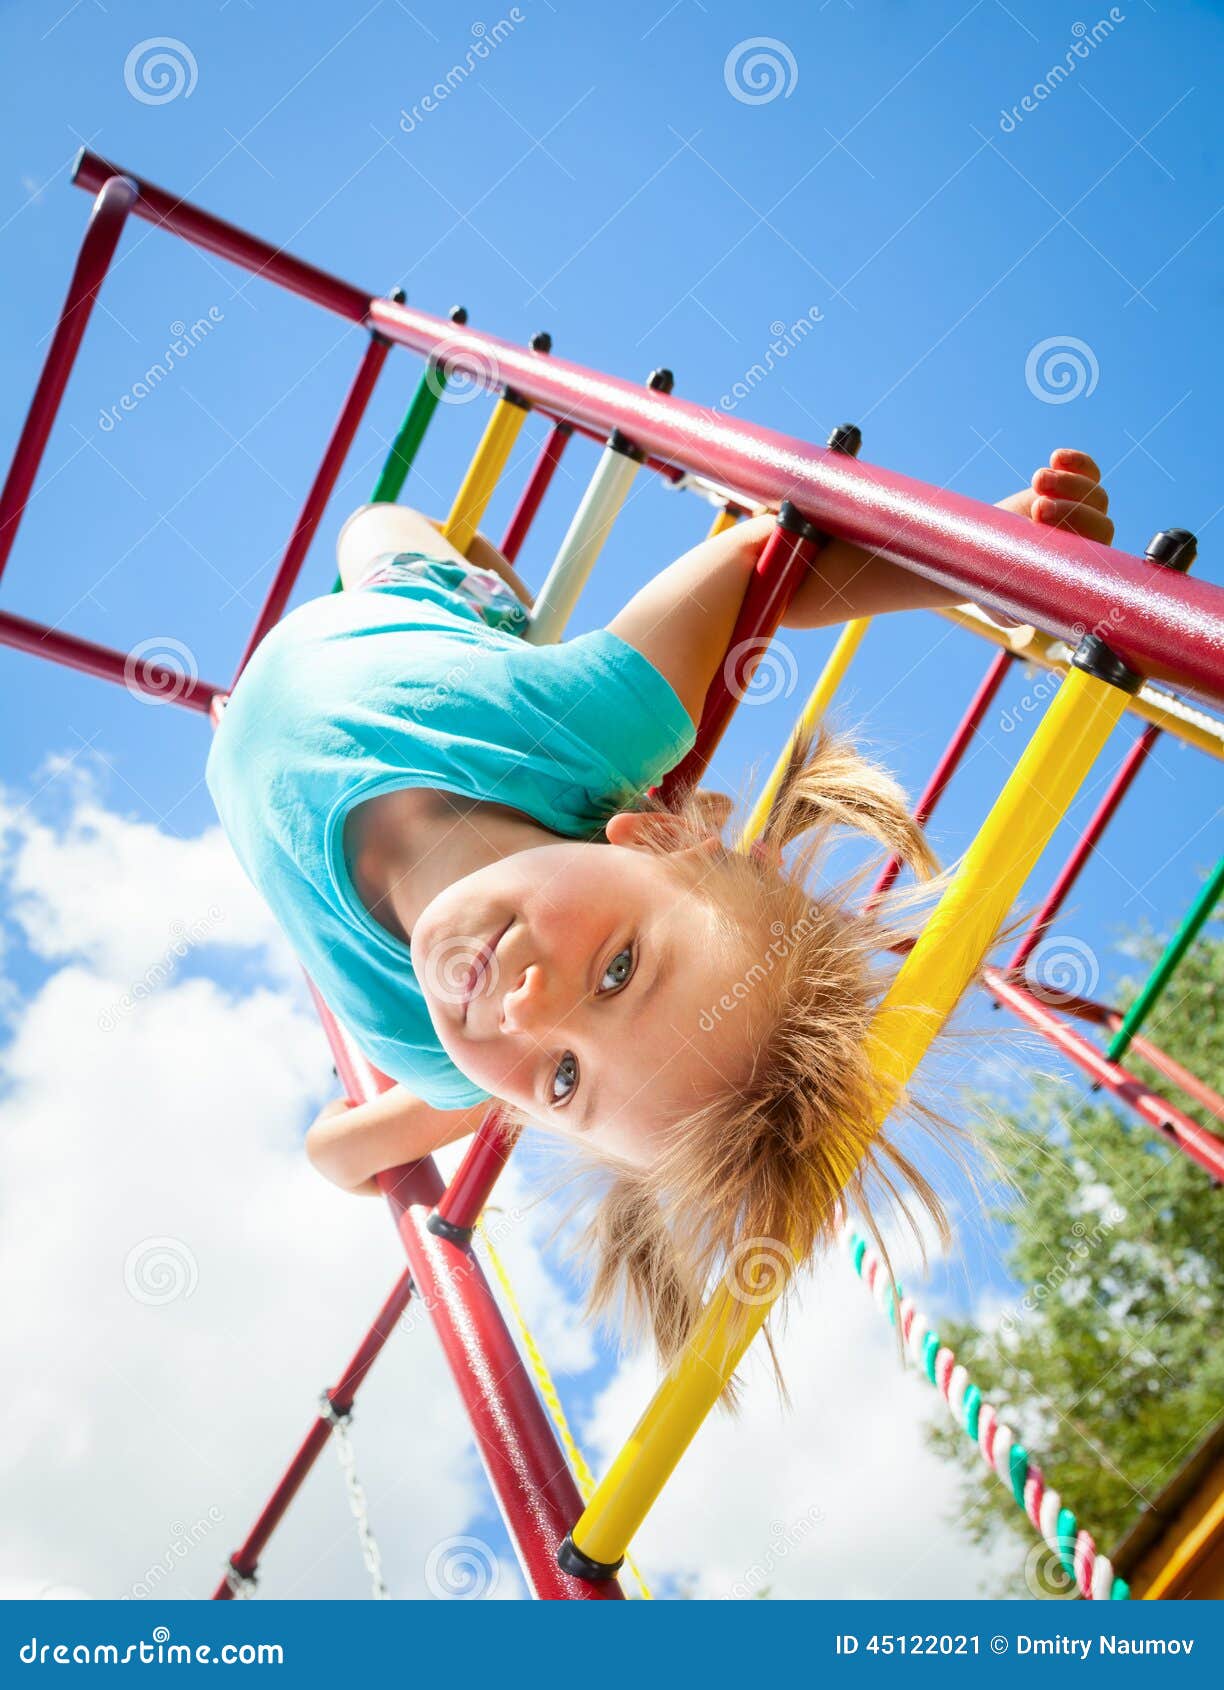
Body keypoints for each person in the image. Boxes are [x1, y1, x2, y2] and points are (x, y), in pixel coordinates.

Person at [206, 448, 1113, 1390]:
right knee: (373, 520)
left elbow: (352, 1144)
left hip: (253, 720)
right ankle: (495, 598)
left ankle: (505, 608)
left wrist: (333, 1150)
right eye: (616, 972)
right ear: (652, 845)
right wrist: (978, 571)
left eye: (562, 1081)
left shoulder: (437, 1053)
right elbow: (762, 561)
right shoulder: (586, 727)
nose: (527, 1011)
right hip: (404, 604)